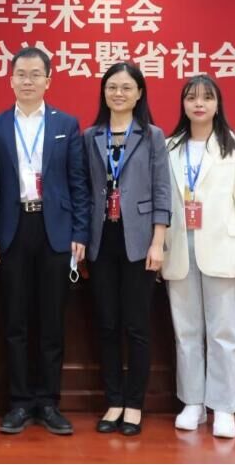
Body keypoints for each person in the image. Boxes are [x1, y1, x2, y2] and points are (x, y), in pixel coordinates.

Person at [0, 47, 89, 435]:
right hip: (12, 230)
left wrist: (80, 232)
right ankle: (19, 403)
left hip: (55, 230)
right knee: (14, 322)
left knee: (51, 322)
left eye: (35, 74)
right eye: (21, 74)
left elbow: (79, 183)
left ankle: (48, 402)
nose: (27, 81)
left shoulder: (66, 124)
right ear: (10, 80)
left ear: (48, 80)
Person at [162, 74, 235, 439]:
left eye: (206, 97)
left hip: (223, 248)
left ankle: (223, 406)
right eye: (192, 97)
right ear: (183, 104)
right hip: (180, 248)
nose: (199, 104)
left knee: (223, 332)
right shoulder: (170, 146)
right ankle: (192, 403)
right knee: (186, 331)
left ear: (218, 104)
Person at [82, 61, 170, 437]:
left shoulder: (152, 136)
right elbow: (85, 190)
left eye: (126, 88)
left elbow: (162, 191)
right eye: (112, 87)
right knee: (106, 324)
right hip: (101, 240)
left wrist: (158, 242)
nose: (118, 93)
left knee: (136, 326)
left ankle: (134, 404)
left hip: (139, 241)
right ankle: (113, 400)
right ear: (104, 93)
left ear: (139, 94)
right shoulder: (91, 136)